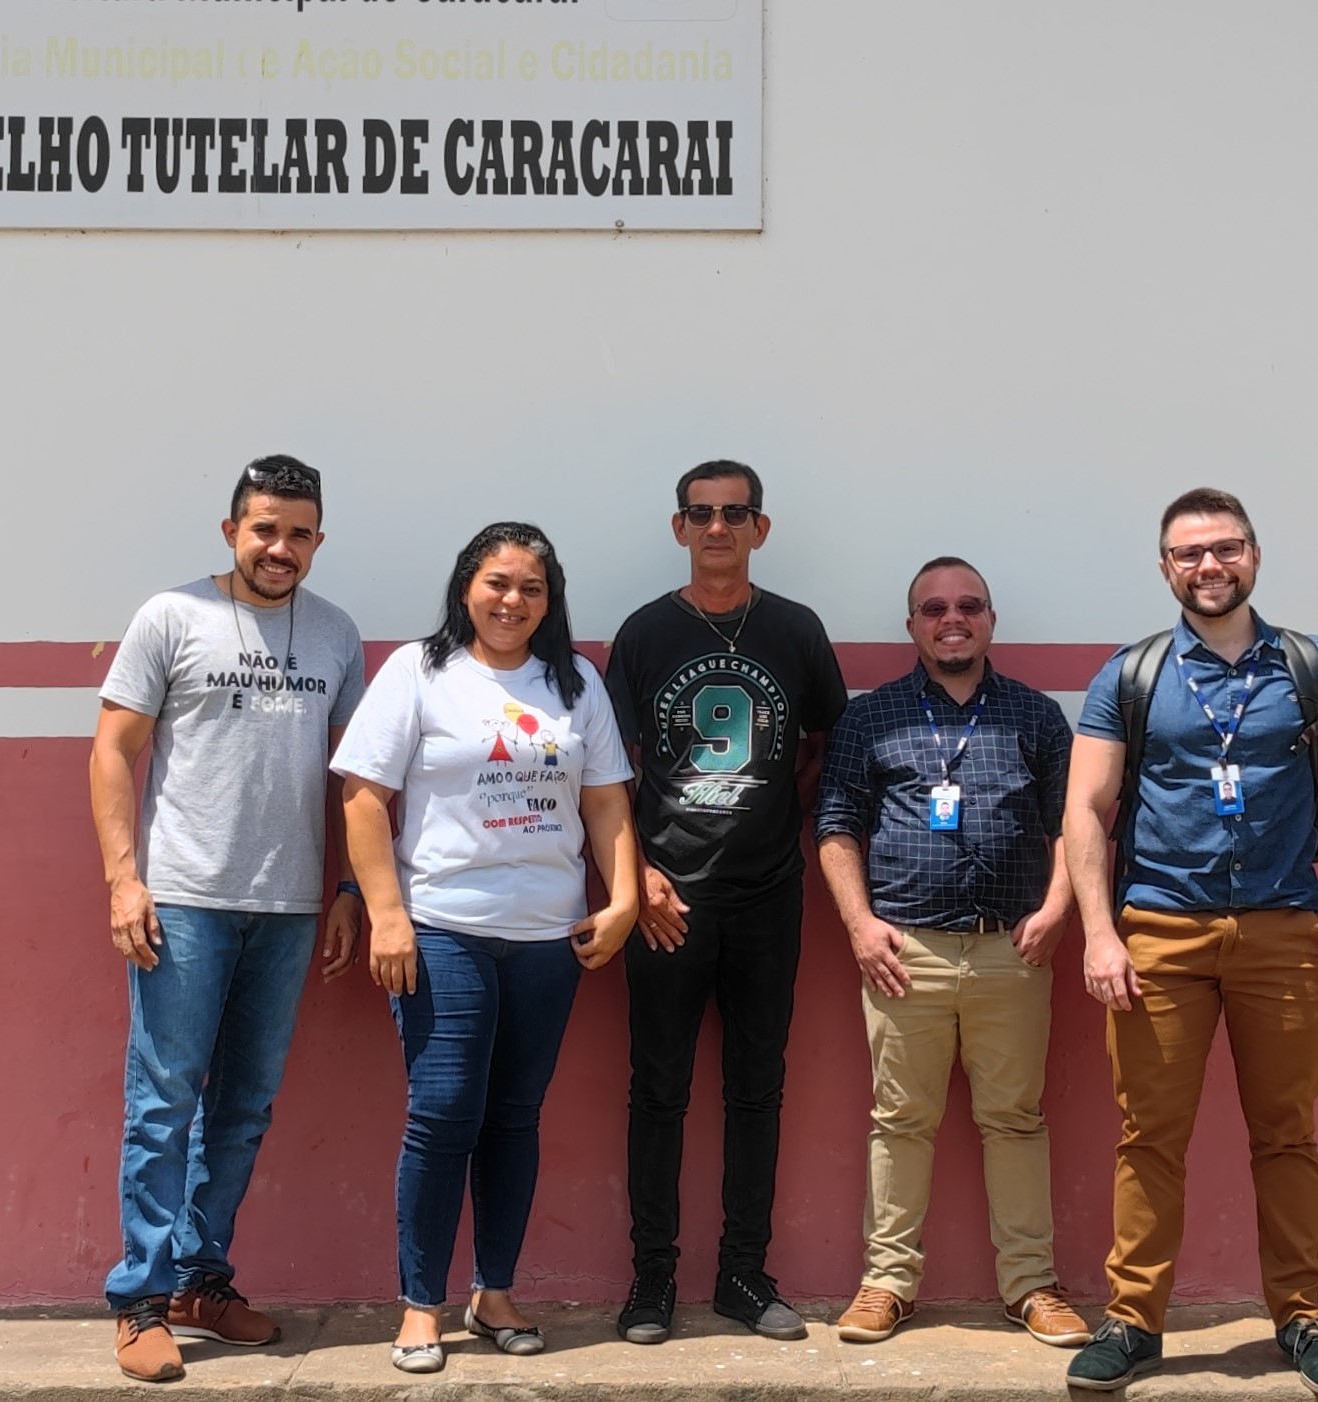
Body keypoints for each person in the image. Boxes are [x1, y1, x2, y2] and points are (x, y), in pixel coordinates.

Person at [1061, 488, 1318, 1396]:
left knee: (1285, 1135)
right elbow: (1085, 811)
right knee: (1149, 1136)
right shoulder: (1129, 676)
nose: (1210, 565)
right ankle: (1132, 1321)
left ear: (1252, 554)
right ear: (1164, 567)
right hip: (1158, 932)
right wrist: (1098, 934)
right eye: (1189, 553)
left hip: (1285, 931)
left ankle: (1302, 1317)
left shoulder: (1313, 668)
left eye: (1226, 548)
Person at [332, 521, 641, 1374]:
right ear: (467, 586)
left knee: (514, 1118)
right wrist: (388, 916)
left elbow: (609, 804)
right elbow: (363, 800)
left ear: (551, 599)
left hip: (549, 939)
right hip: (443, 931)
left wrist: (621, 902)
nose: (512, 601)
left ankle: (494, 1291)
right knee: (441, 1119)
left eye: (531, 588)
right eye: (497, 583)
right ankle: (420, 1305)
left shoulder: (575, 683)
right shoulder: (419, 673)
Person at [90, 455, 367, 1383]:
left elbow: (350, 782)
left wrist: (345, 891)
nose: (279, 548)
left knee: (242, 1109)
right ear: (231, 531)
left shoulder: (336, 635)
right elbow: (111, 751)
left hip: (286, 909)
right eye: (263, 529)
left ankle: (201, 1284)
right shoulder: (171, 616)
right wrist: (124, 881)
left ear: (318, 541)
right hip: (184, 902)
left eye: (297, 533)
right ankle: (137, 1299)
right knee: (164, 1104)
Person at [814, 558, 1091, 1348]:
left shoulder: (1035, 718)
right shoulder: (872, 717)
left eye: (968, 605)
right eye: (933, 608)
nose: (951, 618)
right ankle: (886, 1283)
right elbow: (834, 824)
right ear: (912, 626)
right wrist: (861, 926)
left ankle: (1031, 1286)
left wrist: (1057, 910)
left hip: (1013, 951)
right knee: (900, 1120)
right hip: (904, 954)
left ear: (990, 619)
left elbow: (1075, 824)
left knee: (1015, 1120)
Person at [603, 460, 849, 1344]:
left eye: (734, 514)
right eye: (700, 514)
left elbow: (820, 744)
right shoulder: (642, 634)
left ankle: (745, 1274)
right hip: (666, 902)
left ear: (759, 527)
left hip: (768, 899)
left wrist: (772, 826)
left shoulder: (793, 629)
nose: (717, 528)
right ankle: (652, 1282)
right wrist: (640, 877)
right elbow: (606, 772)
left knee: (757, 1092)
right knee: (657, 1093)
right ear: (679, 528)